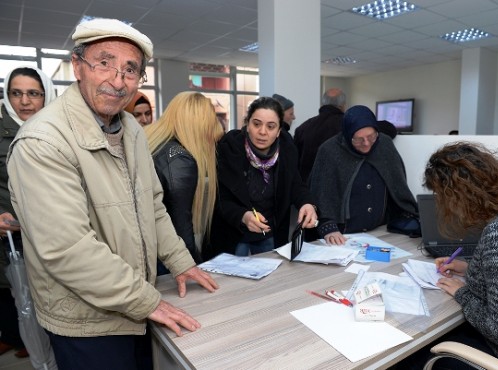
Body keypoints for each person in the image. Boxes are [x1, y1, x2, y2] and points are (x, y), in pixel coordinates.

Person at [6, 18, 218, 370]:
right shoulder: (42, 141)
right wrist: (147, 301)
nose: (118, 81)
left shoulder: (132, 128)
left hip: (134, 304)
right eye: (104, 63)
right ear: (77, 66)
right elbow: (67, 248)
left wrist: (181, 261)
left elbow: (153, 206)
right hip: (87, 321)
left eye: (130, 70)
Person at [400, 141, 498, 369]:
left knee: (411, 357)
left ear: (458, 196)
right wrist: (469, 268)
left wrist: (462, 293)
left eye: (441, 196)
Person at [206, 96, 318, 258]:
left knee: (270, 278)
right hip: (234, 232)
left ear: (279, 130)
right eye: (256, 124)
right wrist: (243, 216)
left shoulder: (287, 148)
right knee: (235, 280)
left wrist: (307, 203)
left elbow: (295, 184)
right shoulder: (229, 148)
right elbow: (220, 198)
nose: (262, 132)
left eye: (271, 126)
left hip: (270, 231)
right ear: (247, 124)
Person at [0, 67, 56, 360]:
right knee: (18, 298)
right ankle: (24, 343)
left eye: (33, 93)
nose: (24, 101)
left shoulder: (57, 132)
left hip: (51, 233)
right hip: (10, 238)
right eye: (16, 93)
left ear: (45, 96)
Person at [309, 105, 419, 245]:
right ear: (348, 135)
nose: (367, 144)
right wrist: (328, 227)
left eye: (371, 137)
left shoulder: (384, 144)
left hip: (381, 233)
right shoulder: (329, 150)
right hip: (342, 236)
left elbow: (397, 184)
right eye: (358, 140)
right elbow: (321, 194)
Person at [146, 92, 224, 266]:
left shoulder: (153, 142)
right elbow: (180, 229)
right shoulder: (180, 160)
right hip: (164, 256)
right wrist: (196, 267)